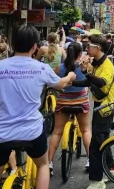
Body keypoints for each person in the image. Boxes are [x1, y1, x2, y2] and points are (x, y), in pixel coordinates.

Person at [0, 25, 76, 189]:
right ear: (34, 47)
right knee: (43, 165)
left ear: (13, 43)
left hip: (0, 132)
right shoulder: (41, 68)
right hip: (31, 131)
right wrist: (70, 75)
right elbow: (61, 84)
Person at [70, 34, 114, 189]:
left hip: (105, 108)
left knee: (95, 145)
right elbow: (90, 82)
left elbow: (101, 82)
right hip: (100, 107)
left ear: (97, 48)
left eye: (89, 46)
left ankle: (97, 181)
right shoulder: (98, 63)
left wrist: (88, 72)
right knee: (103, 140)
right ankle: (113, 169)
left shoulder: (107, 65)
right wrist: (71, 82)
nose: (87, 49)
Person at [48, 42, 92, 175]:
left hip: (63, 102)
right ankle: (90, 160)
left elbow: (53, 83)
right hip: (81, 102)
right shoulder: (86, 67)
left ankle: (49, 162)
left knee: (56, 132)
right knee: (85, 130)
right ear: (80, 54)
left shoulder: (59, 67)